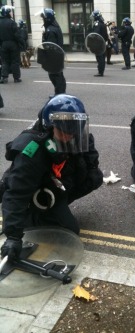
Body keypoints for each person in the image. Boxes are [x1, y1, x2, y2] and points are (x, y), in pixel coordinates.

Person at [0, 94, 103, 262]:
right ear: (49, 128)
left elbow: (88, 149)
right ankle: (32, 214)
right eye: (63, 133)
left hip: (56, 179)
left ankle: (56, 203)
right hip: (33, 183)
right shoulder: (32, 150)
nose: (69, 137)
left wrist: (91, 168)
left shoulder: (73, 128)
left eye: (73, 133)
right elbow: (16, 193)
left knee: (95, 178)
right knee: (70, 230)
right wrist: (13, 237)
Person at [40, 8, 66, 96]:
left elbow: (50, 46)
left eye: (43, 17)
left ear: (47, 18)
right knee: (58, 75)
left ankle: (59, 94)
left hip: (53, 57)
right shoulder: (54, 27)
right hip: (57, 56)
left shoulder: (50, 30)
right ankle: (60, 93)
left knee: (55, 76)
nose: (42, 19)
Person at [0, 5, 23, 84]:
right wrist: (22, 44)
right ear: (7, 13)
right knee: (15, 61)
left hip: (3, 44)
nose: (11, 13)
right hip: (13, 44)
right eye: (10, 12)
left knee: (4, 61)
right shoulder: (12, 22)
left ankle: (4, 77)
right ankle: (16, 78)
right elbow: (17, 35)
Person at [90, 9, 108, 77]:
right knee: (102, 58)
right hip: (103, 43)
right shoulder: (103, 24)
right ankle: (101, 71)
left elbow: (96, 34)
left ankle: (100, 72)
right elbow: (106, 35)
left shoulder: (97, 24)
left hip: (99, 44)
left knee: (100, 58)